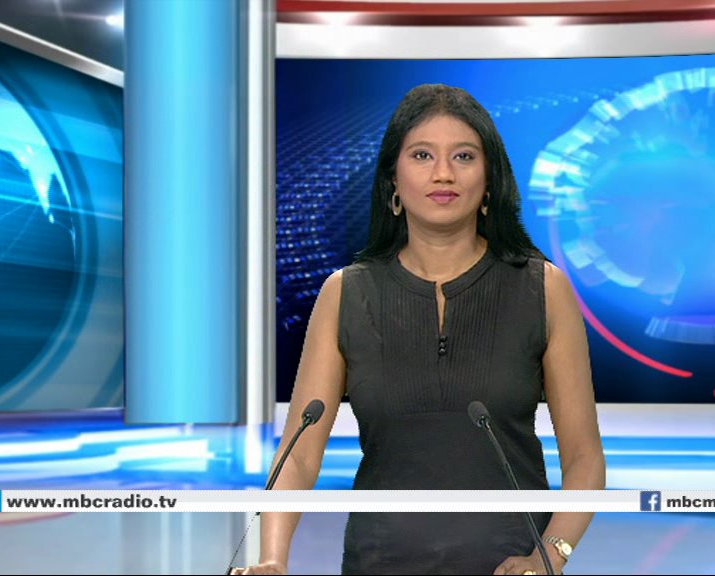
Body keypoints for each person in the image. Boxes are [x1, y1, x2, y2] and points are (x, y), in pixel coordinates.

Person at [237, 84, 605, 575]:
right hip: (378, 563)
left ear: (490, 179)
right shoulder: (345, 293)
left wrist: (551, 555)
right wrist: (271, 560)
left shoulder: (543, 288)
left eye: (464, 156)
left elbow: (584, 456)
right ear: (393, 178)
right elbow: (299, 456)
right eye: (422, 155)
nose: (443, 173)